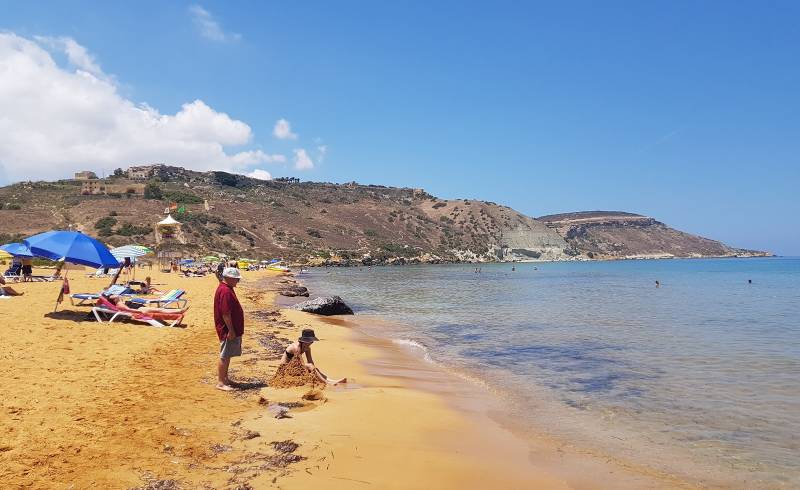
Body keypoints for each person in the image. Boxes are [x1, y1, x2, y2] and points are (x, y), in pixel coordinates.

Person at [280, 328, 347, 385]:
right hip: (285, 368)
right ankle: (326, 382)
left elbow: (310, 361)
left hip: (294, 366)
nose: (312, 342)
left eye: (312, 341)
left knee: (314, 368)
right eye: (311, 341)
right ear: (305, 340)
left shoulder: (307, 348)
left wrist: (314, 370)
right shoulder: (296, 348)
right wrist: (311, 370)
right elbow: (300, 364)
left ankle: (331, 380)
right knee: (310, 366)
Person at [214, 267, 244, 391]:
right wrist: (231, 330)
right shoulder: (225, 291)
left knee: (228, 354)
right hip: (228, 330)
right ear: (229, 278)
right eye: (236, 279)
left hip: (231, 329)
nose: (238, 281)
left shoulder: (226, 288)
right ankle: (221, 382)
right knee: (225, 355)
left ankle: (225, 378)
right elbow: (226, 313)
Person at [105, 295, 188, 314]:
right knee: (160, 310)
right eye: (114, 295)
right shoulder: (120, 304)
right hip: (140, 310)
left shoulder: (120, 302)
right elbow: (129, 310)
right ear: (114, 299)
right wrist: (139, 312)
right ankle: (179, 311)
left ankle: (178, 311)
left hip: (140, 308)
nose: (116, 294)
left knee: (159, 310)